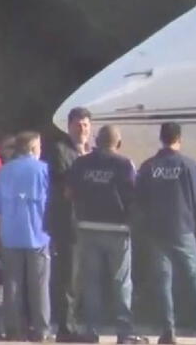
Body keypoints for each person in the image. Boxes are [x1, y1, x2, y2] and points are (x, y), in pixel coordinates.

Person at [136, 122, 196, 345]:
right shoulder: (188, 165)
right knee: (194, 278)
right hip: (183, 229)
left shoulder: (148, 166)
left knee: (163, 280)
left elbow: (139, 199)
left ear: (161, 139)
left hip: (156, 230)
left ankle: (168, 332)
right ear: (179, 139)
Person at [66, 125, 148, 344]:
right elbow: (134, 194)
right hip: (117, 229)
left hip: (87, 227)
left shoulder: (81, 163)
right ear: (118, 143)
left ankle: (91, 331)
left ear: (96, 141)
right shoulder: (124, 164)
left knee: (91, 281)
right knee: (121, 282)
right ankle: (124, 333)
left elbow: (69, 192)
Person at [43, 107, 92, 342]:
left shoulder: (93, 153)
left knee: (84, 277)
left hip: (91, 223)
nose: (82, 129)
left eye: (86, 124)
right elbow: (65, 186)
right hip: (67, 222)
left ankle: (82, 323)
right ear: (69, 126)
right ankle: (66, 327)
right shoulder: (60, 151)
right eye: (78, 124)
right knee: (68, 277)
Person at [0, 131, 51, 341]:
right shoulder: (43, 169)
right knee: (39, 286)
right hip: (38, 235)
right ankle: (40, 331)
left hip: (10, 235)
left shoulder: (5, 172)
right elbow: (51, 203)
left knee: (12, 285)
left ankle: (13, 329)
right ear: (33, 148)